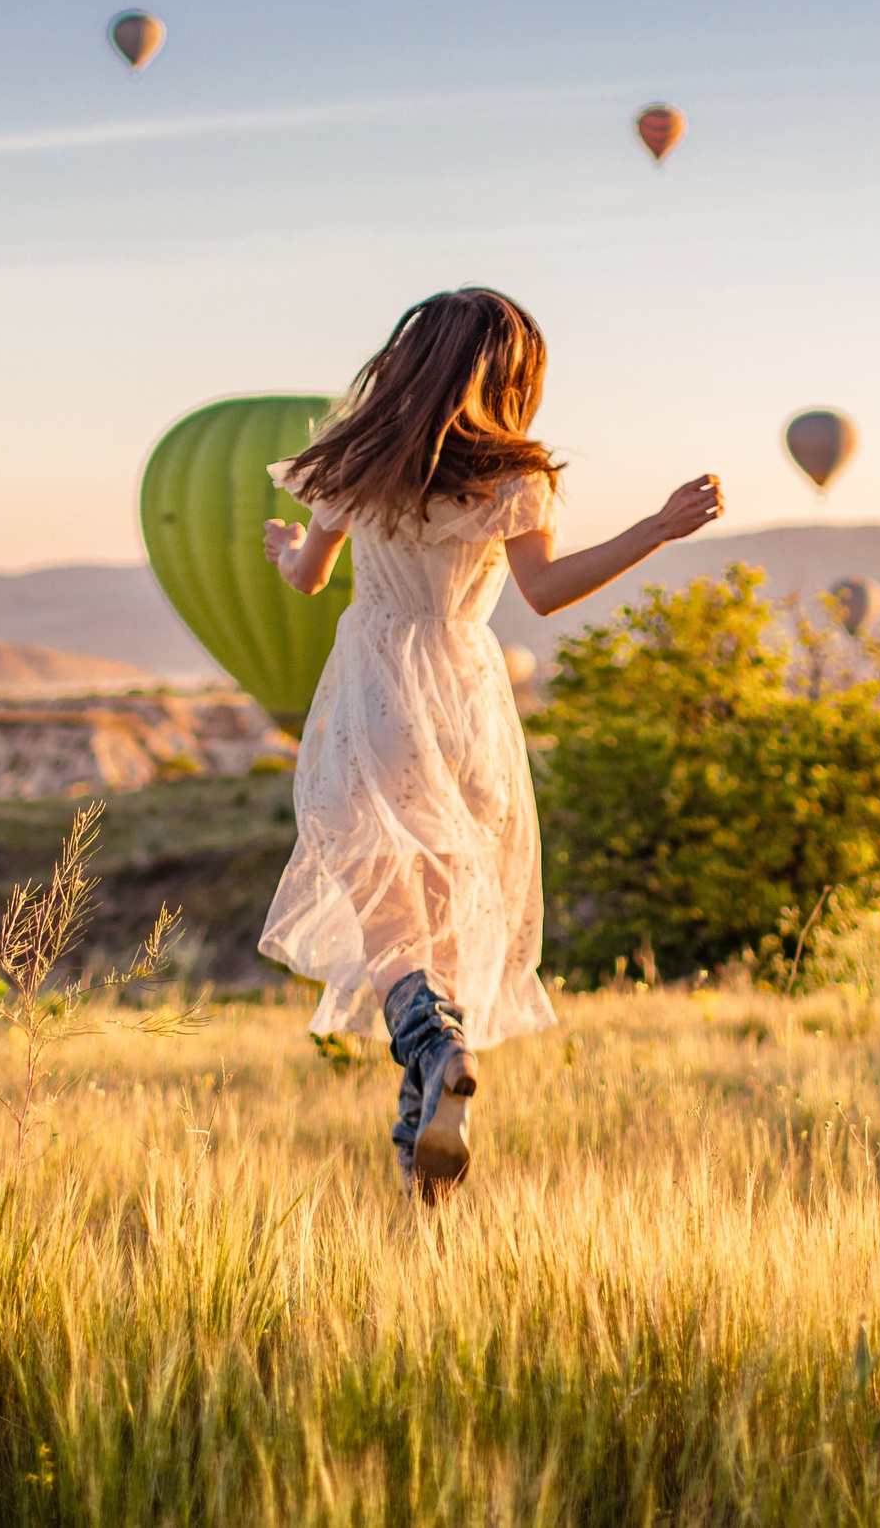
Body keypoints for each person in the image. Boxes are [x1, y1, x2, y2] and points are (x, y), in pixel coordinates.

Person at [260, 288, 725, 1199]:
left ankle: (439, 1056)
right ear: (511, 375)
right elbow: (545, 592)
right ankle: (423, 1167)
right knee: (440, 942)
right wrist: (656, 529)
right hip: (467, 704)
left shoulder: (356, 458)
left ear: (409, 359)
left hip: (373, 698)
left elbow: (309, 578)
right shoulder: (516, 476)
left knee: (393, 933)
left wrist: (284, 547)